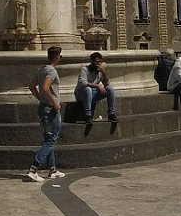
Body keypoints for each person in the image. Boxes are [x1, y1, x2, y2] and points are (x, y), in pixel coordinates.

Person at [26, 46, 67, 182]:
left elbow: (32, 86)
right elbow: (45, 87)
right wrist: (54, 102)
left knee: (48, 139)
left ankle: (52, 169)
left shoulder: (41, 69)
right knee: (51, 139)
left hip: (43, 107)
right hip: (51, 109)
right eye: (60, 56)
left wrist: (40, 98)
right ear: (57, 57)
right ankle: (34, 168)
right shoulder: (51, 71)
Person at [75, 51, 117, 122]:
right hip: (82, 94)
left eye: (100, 62)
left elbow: (106, 83)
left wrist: (104, 73)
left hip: (93, 94)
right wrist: (97, 86)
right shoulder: (85, 69)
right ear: (91, 61)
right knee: (87, 89)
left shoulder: (99, 71)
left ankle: (111, 113)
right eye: (97, 62)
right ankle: (88, 115)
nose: (99, 64)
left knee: (110, 89)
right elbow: (83, 82)